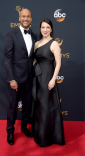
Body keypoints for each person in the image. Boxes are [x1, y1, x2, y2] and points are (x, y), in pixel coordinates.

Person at [4, 8, 37, 145]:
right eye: (23, 16)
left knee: (28, 105)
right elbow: (7, 59)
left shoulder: (34, 35)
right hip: (16, 79)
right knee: (13, 106)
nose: (25, 18)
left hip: (29, 78)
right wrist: (11, 79)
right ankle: (10, 132)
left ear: (31, 19)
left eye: (28, 16)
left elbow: (32, 57)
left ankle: (24, 127)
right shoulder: (11, 35)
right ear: (19, 18)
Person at [33, 18, 65, 147]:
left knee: (46, 106)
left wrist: (53, 79)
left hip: (48, 77)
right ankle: (39, 134)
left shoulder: (54, 44)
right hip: (37, 77)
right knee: (39, 106)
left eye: (47, 27)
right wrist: (35, 72)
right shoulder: (36, 43)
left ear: (51, 29)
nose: (45, 30)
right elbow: (34, 60)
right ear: (40, 29)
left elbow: (58, 64)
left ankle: (48, 137)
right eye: (43, 27)